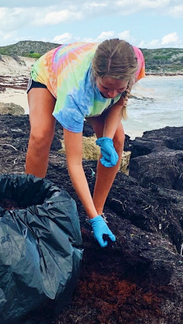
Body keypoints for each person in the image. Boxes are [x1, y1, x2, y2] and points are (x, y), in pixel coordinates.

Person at [25, 38, 145, 248]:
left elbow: (119, 101)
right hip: (49, 73)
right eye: (106, 87)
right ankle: (30, 205)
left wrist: (106, 137)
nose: (111, 94)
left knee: (118, 140)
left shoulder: (134, 61)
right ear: (96, 75)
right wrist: (93, 220)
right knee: (41, 135)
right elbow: (74, 163)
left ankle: (98, 209)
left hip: (87, 83)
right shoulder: (75, 92)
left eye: (118, 87)